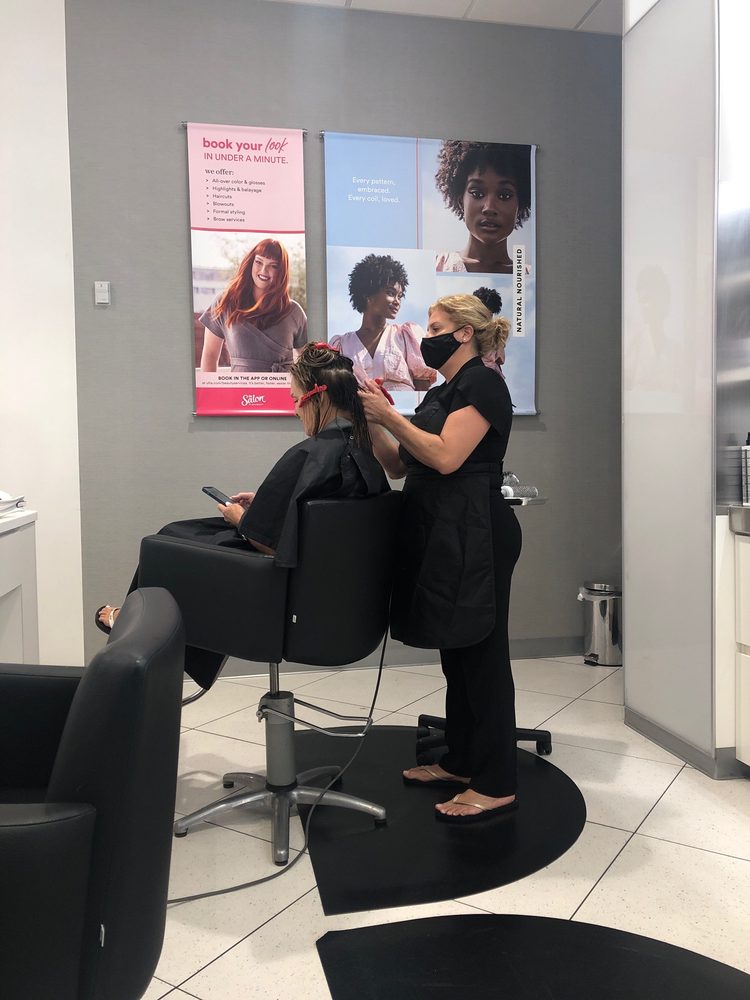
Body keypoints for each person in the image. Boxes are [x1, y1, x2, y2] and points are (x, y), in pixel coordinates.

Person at [96, 344, 389, 689]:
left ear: (318, 398)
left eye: (296, 400)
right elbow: (320, 520)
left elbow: (267, 543)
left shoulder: (308, 454)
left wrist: (241, 518)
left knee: (166, 540)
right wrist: (266, 503)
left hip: (281, 591)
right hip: (334, 600)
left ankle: (136, 624)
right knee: (184, 533)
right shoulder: (362, 453)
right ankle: (146, 628)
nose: (295, 410)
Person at [359, 292, 521, 824]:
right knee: (457, 650)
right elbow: (399, 465)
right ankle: (462, 760)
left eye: (434, 327)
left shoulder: (483, 384)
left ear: (464, 333)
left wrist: (389, 415)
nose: (425, 336)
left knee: (483, 654)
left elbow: (448, 457)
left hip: (479, 532)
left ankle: (496, 781)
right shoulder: (441, 392)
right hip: (445, 531)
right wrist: (372, 418)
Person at [330, 254, 437, 392]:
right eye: (391, 293)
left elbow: (422, 392)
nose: (397, 301)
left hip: (401, 407)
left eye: (400, 296)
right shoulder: (341, 345)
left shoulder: (406, 336)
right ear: (368, 294)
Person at [199, 238, 307, 373]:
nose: (264, 270)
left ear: (281, 271)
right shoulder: (225, 302)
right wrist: (209, 388)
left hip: (284, 386)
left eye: (273, 266)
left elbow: (309, 362)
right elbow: (210, 355)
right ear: (251, 262)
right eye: (259, 262)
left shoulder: (294, 311)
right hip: (239, 386)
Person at [434, 141, 532, 274]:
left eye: (504, 195)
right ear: (460, 201)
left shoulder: (530, 276)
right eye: (477, 194)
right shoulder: (436, 267)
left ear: (520, 205)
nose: (489, 208)